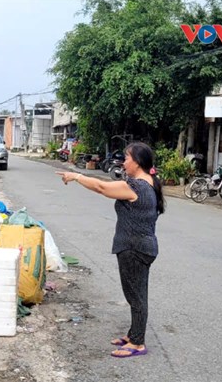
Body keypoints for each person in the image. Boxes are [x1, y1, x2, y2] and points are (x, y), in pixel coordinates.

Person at [56, 142, 165, 358]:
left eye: (127, 158)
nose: (124, 162)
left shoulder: (137, 187)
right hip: (140, 246)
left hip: (134, 248)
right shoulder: (147, 182)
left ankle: (137, 343)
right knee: (136, 294)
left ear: (138, 162)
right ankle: (134, 334)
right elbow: (107, 185)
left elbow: (102, 188)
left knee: (136, 297)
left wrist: (76, 177)